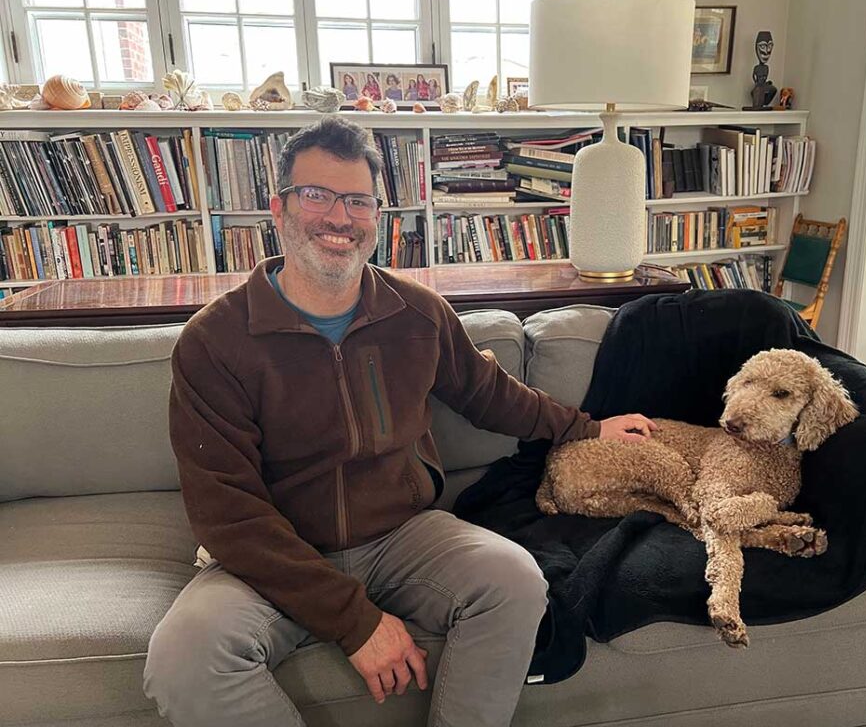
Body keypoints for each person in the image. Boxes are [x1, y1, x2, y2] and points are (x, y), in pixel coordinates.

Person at [142, 116, 656, 727]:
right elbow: (227, 511)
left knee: (516, 579)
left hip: (403, 536)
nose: (340, 218)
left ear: (377, 218)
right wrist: (356, 623)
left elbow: (489, 395)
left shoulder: (418, 314)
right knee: (183, 656)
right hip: (276, 552)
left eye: (358, 201)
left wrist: (588, 428)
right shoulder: (214, 341)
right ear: (277, 207)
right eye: (318, 195)